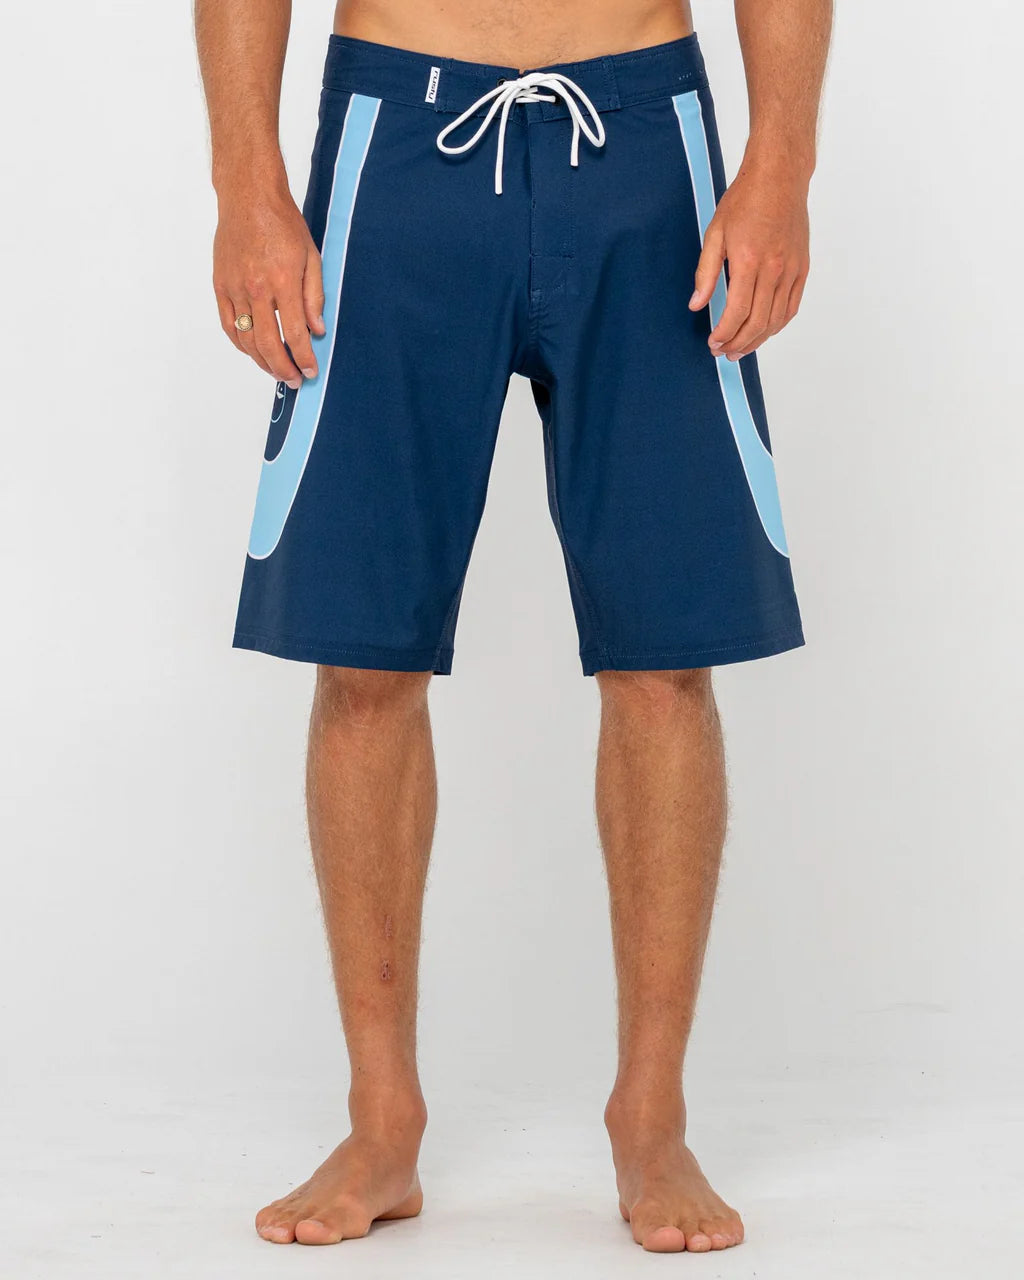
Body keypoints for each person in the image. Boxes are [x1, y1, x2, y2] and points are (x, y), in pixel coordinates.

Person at [196, 0, 831, 1254]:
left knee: (664, 659)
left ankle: (651, 1116)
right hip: (397, 137)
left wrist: (781, 165)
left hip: (643, 137)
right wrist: (245, 185)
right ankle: (382, 1120)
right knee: (362, 655)